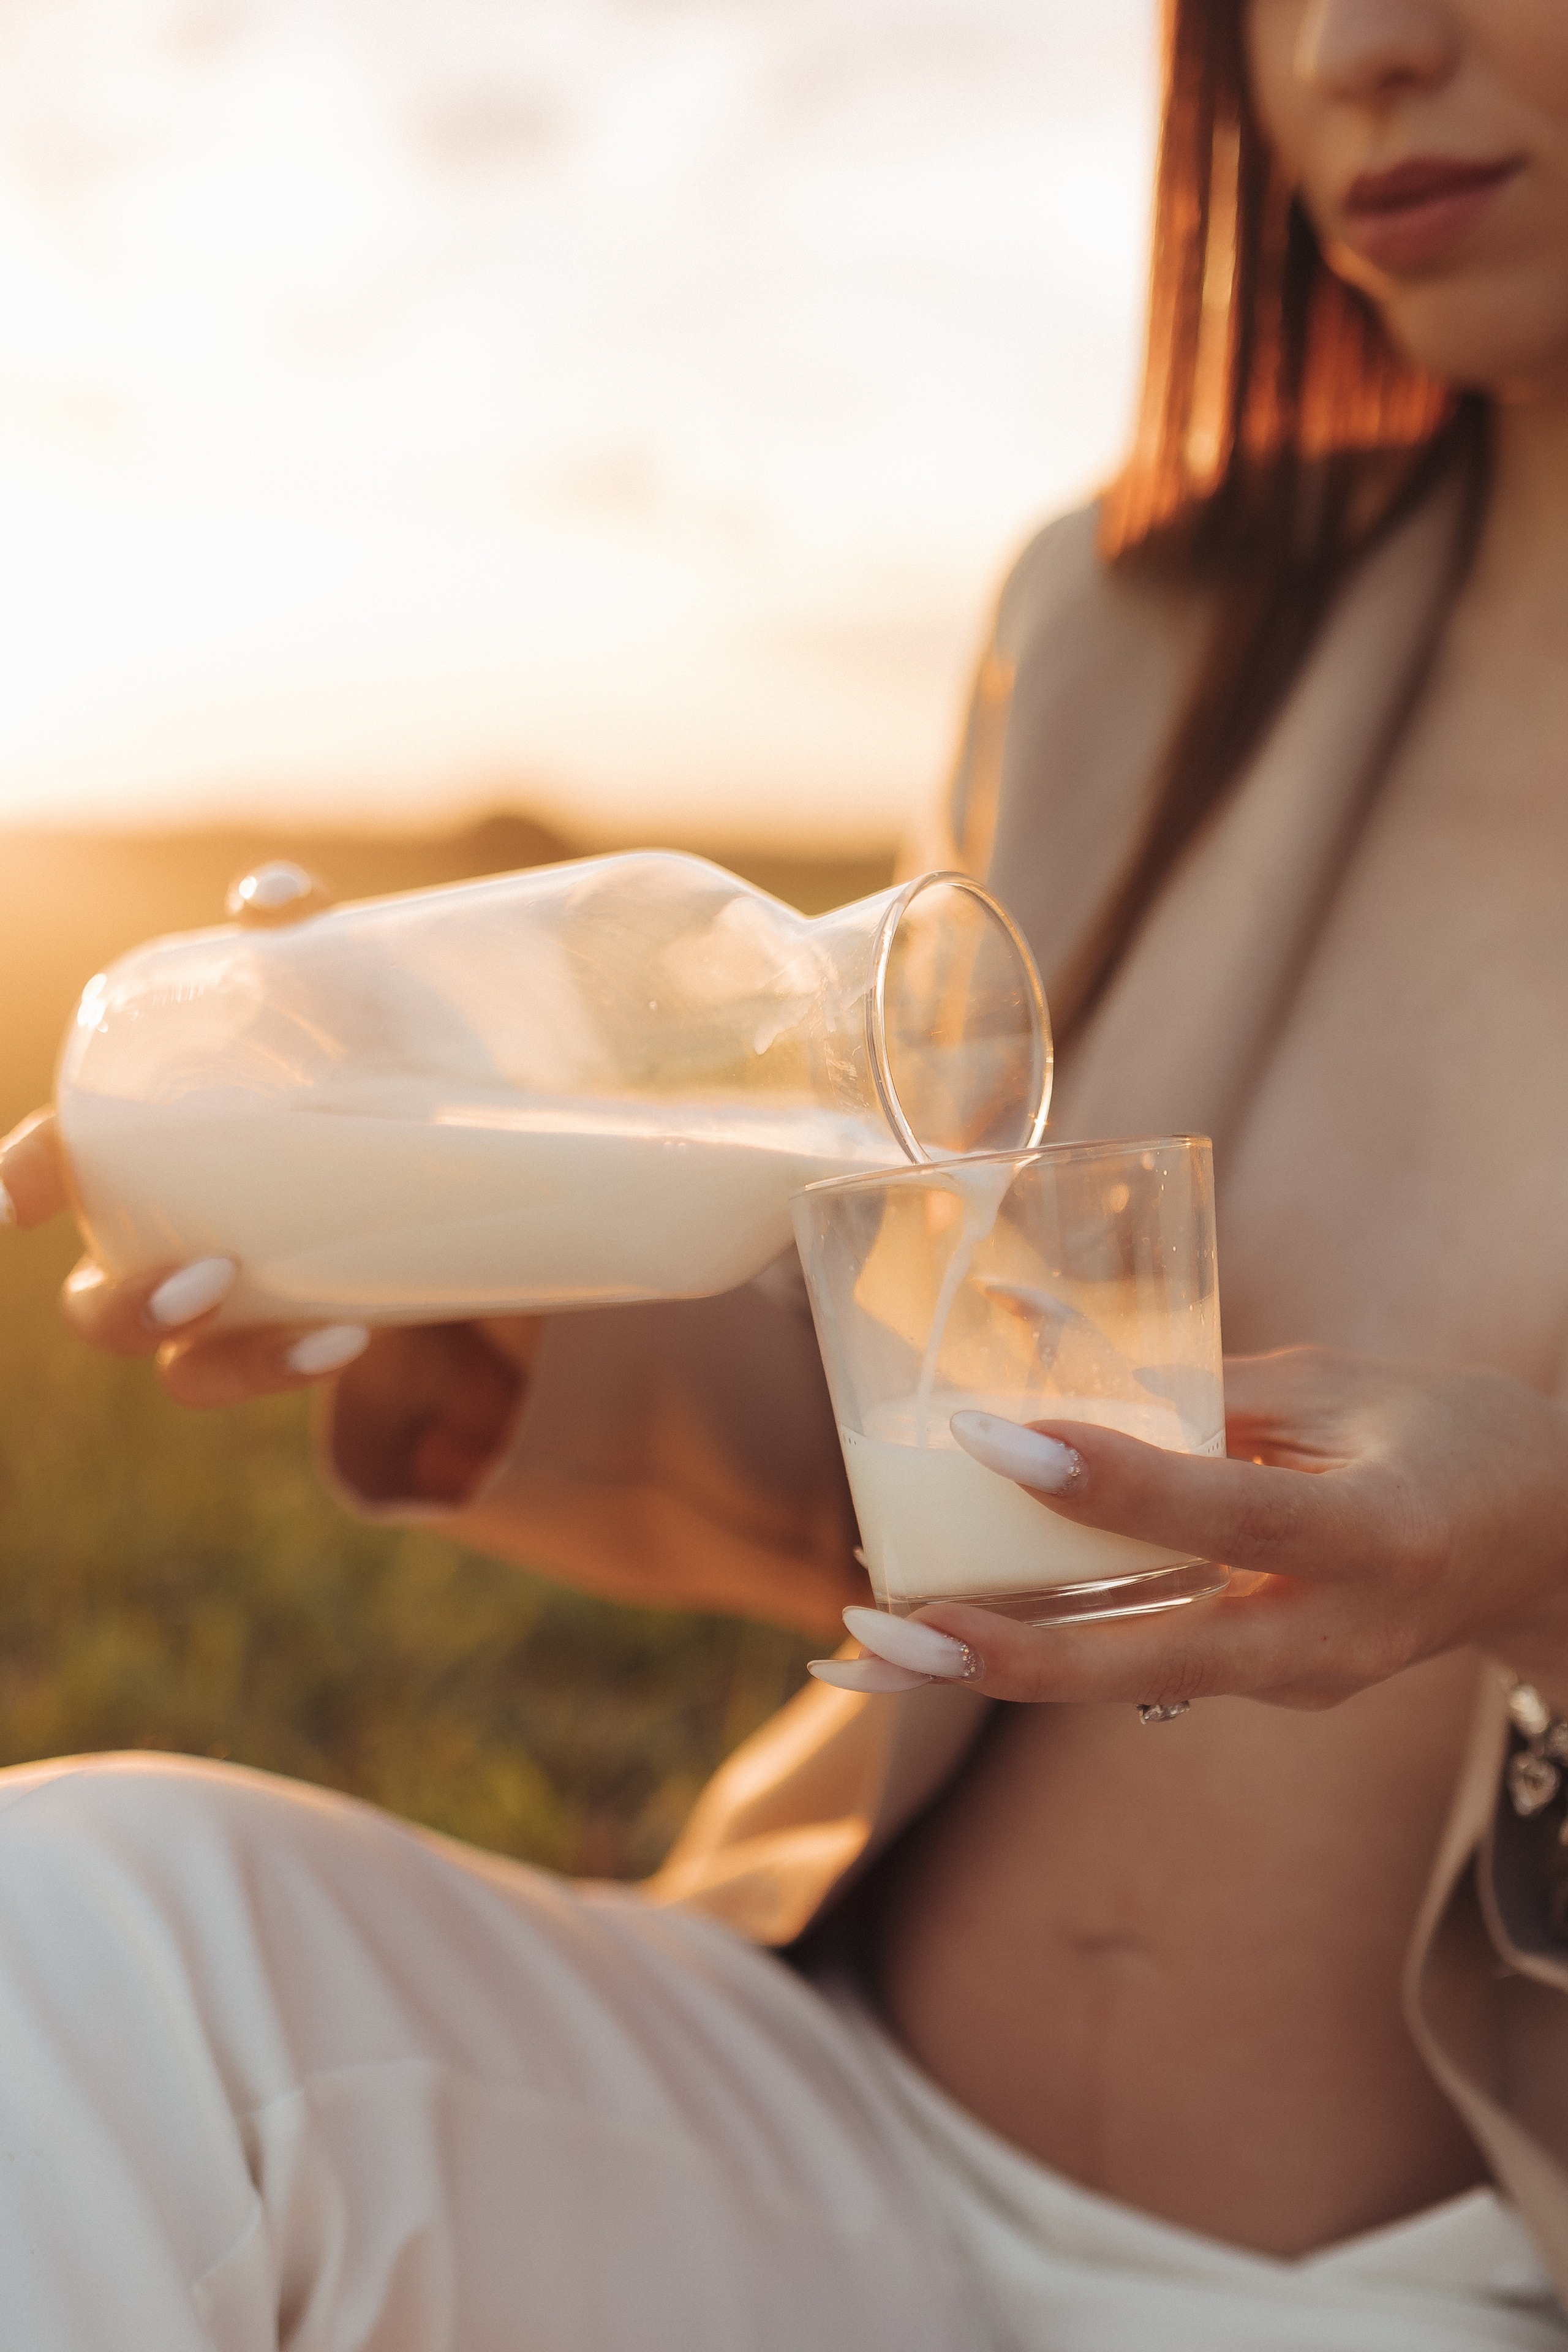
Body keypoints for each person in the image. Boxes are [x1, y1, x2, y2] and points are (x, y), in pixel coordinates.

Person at [5, 1, 1568, 2343]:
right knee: (85, 1942)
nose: (1353, 46)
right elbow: (932, 1410)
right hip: (814, 2127)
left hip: (1432, 2269)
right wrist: (473, 1261)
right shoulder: (1139, 622)